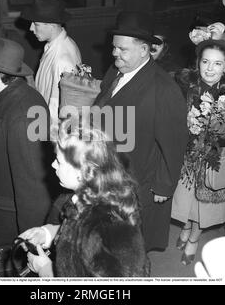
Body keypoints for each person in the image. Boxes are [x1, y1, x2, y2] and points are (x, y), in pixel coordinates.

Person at [93, 11, 188, 252]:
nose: (115, 54)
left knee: (129, 244)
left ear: (144, 50)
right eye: (114, 48)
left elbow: (174, 142)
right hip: (107, 170)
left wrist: (164, 185)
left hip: (137, 178)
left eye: (122, 49)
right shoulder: (115, 71)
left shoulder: (163, 89)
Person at [19, 119, 149, 277]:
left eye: (59, 161)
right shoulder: (95, 197)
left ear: (83, 172)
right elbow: (78, 237)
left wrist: (45, 269)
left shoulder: (100, 225)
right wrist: (47, 234)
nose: (53, 165)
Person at [0, 37, 51, 247]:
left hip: (13, 213)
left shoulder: (21, 115)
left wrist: (31, 239)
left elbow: (32, 186)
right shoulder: (17, 94)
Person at [171, 39, 225, 265]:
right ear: (198, 62)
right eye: (205, 61)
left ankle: (194, 237)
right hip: (186, 154)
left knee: (205, 203)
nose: (210, 68)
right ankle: (185, 227)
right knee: (184, 198)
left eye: (217, 64)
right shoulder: (185, 87)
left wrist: (219, 136)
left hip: (214, 156)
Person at [21, 0, 82, 125]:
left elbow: (56, 106)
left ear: (52, 25)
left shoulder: (62, 60)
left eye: (36, 24)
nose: (31, 28)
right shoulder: (58, 44)